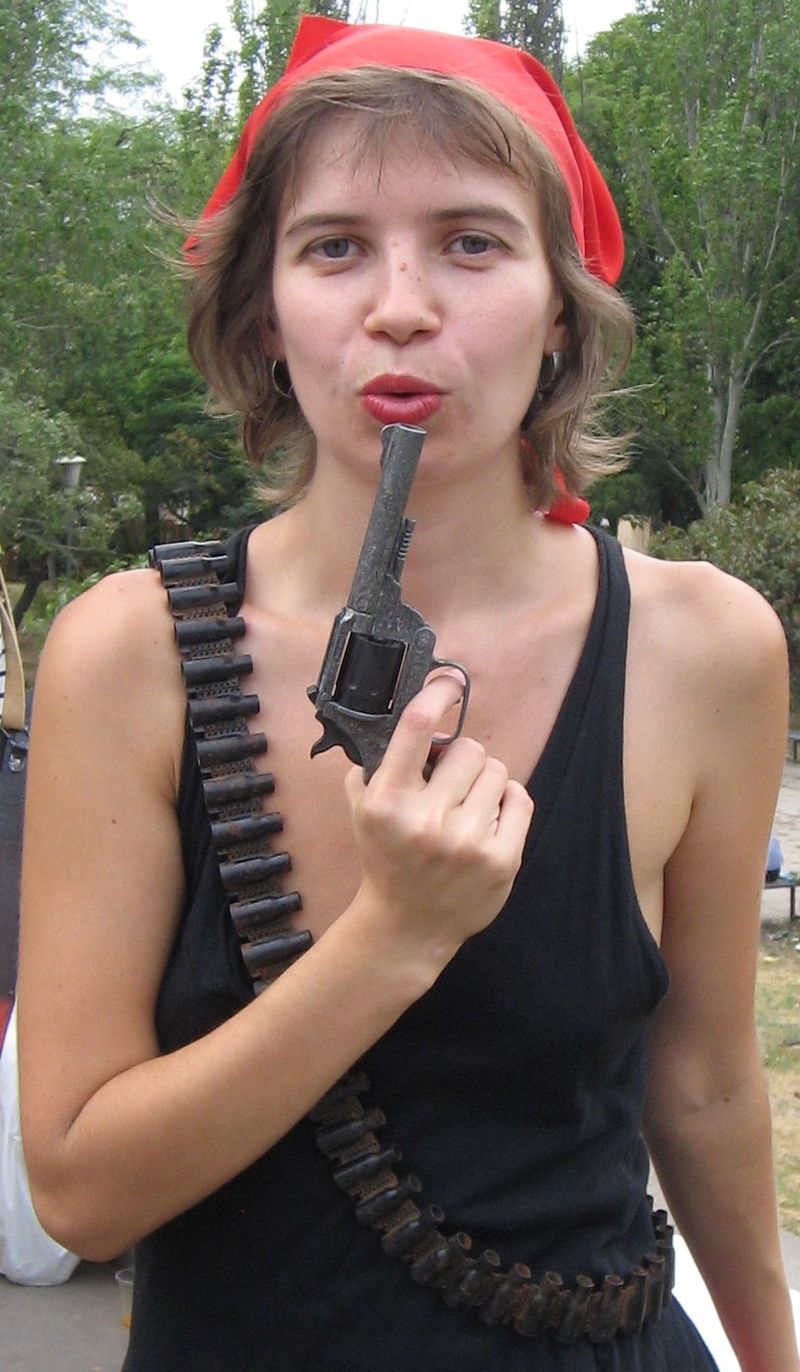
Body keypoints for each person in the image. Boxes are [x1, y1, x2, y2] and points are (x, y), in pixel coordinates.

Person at [16, 18, 797, 1372]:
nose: (400, 306)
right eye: (334, 247)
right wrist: (392, 939)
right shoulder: (128, 655)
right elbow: (81, 1191)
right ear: (264, 314)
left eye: (471, 243)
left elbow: (710, 1087)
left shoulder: (706, 647)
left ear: (562, 310)